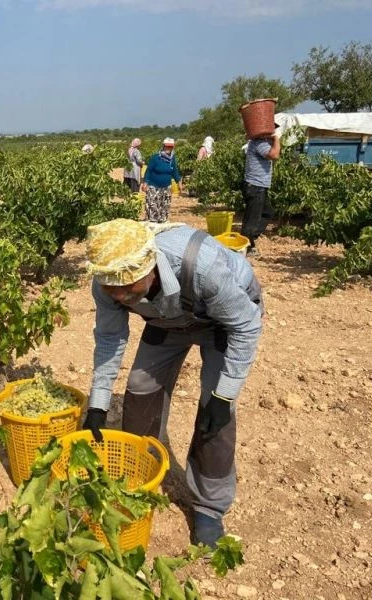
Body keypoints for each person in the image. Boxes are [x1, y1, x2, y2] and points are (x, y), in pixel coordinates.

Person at [81, 218, 264, 549]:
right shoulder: (108, 278)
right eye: (112, 289)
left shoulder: (201, 266)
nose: (120, 296)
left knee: (215, 413)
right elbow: (110, 337)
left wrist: (225, 395)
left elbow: (245, 326)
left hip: (221, 321)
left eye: (129, 287)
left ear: (150, 266)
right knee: (140, 389)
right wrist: (98, 403)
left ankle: (209, 508)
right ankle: (141, 476)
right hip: (167, 318)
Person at [241, 127, 281, 257]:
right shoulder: (260, 143)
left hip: (258, 186)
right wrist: (276, 138)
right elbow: (274, 155)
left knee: (267, 213)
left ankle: (248, 238)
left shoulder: (258, 141)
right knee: (252, 219)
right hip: (256, 186)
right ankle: (246, 246)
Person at [141, 138, 184, 223]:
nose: (169, 149)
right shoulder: (155, 158)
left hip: (166, 187)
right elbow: (148, 171)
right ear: (163, 146)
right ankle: (152, 222)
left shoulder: (172, 159)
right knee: (153, 205)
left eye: (171, 147)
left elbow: (174, 171)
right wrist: (145, 183)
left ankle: (162, 222)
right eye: (167, 147)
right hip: (153, 186)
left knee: (164, 206)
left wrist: (179, 182)